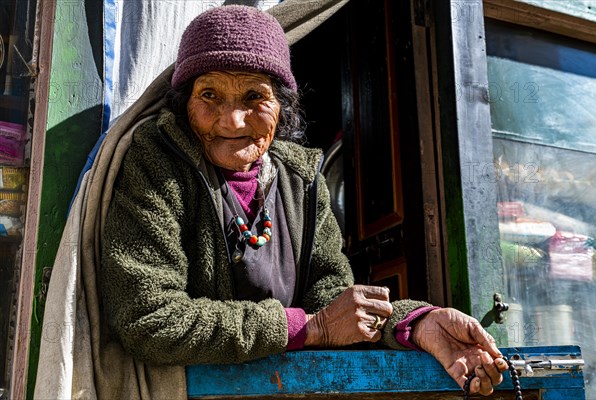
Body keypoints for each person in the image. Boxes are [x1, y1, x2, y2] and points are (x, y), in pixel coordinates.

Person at [100, 4, 508, 397]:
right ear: (184, 104)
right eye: (209, 95)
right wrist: (308, 328)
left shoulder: (300, 178)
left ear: (282, 107)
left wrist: (416, 324)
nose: (232, 120)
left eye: (254, 97)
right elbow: (149, 317)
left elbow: (333, 299)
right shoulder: (156, 161)